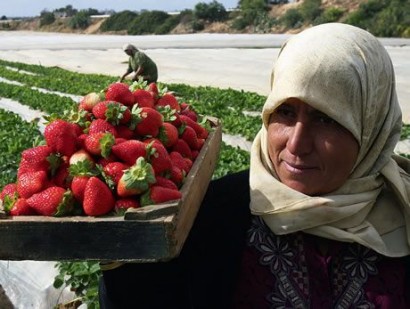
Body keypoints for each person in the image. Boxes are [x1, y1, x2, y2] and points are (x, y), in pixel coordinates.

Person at [99, 23, 410, 308]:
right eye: (286, 112)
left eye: (326, 119)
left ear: (372, 126)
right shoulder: (211, 215)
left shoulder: (404, 211)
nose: (296, 144)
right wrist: (121, 255)